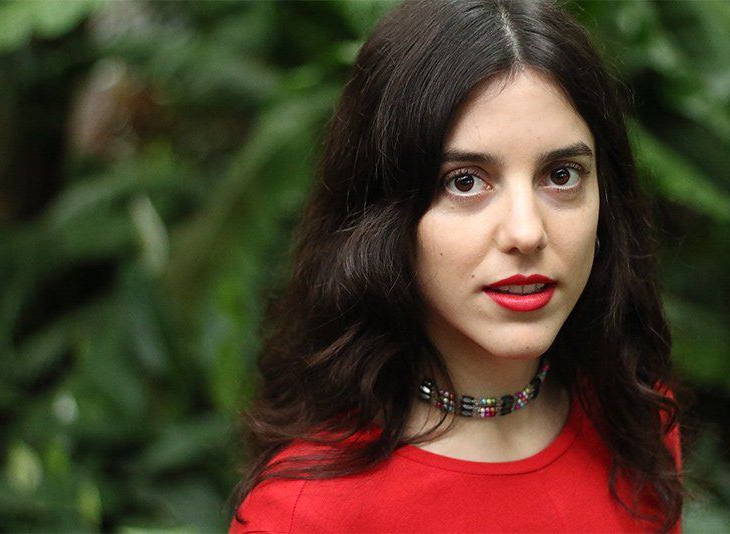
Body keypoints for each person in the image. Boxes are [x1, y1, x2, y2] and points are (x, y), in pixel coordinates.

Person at [230, 0, 683, 532]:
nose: (526, 232)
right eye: (465, 181)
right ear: (383, 214)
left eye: (561, 175)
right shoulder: (305, 513)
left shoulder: (635, 417)